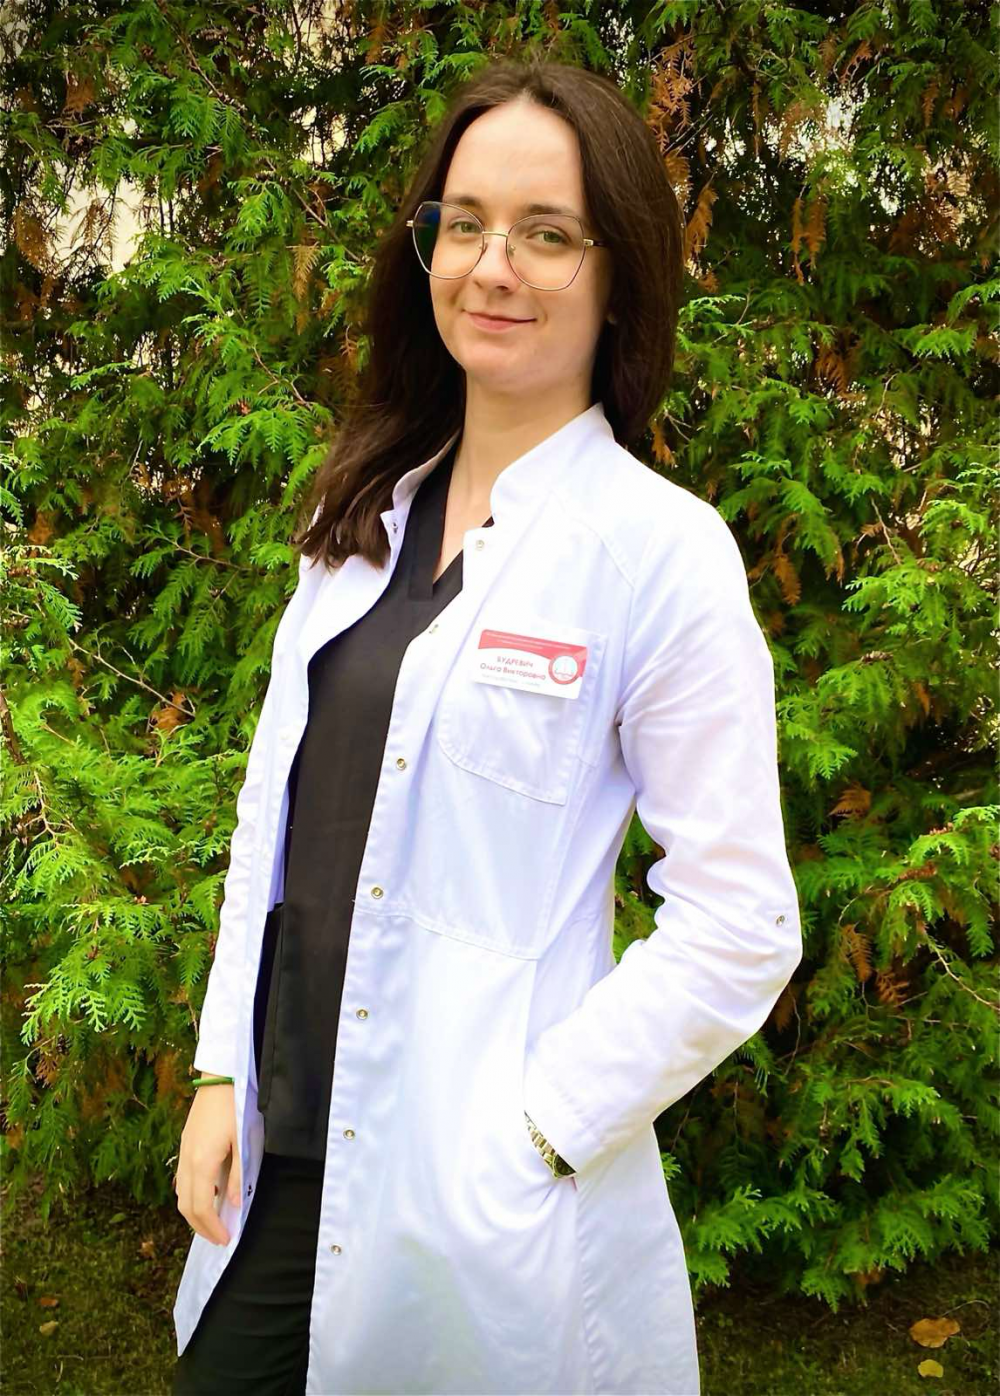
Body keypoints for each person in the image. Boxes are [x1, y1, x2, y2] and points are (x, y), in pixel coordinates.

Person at [171, 55, 802, 1396]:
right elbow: (270, 822)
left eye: (546, 233)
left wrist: (536, 1128)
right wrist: (222, 1069)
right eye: (463, 224)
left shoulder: (659, 553)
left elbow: (740, 922)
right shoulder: (357, 520)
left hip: (480, 1198)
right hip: (289, 1153)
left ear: (619, 272)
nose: (492, 266)